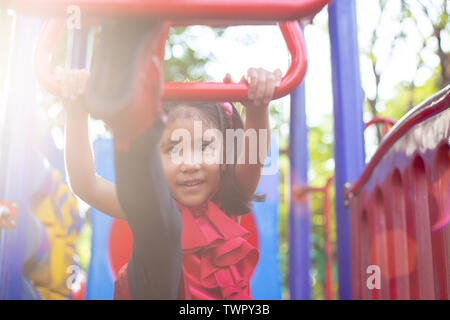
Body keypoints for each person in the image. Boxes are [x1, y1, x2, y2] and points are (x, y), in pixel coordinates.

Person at [58, 64, 282, 300]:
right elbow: (86, 185)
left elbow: (254, 156)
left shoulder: (228, 200)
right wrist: (75, 111)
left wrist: (257, 107)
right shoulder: (148, 208)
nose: (190, 164)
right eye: (174, 149)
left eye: (205, 147)